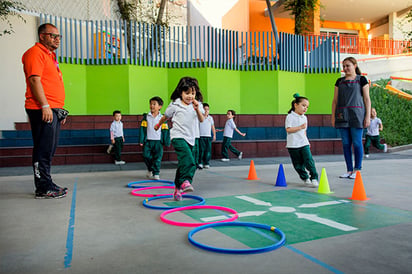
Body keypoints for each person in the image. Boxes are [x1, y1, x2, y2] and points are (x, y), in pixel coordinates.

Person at [22, 23, 68, 199]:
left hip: (53, 109)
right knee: (42, 149)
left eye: (58, 36)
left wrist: (59, 110)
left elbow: (51, 85)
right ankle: (42, 187)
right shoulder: (35, 53)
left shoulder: (50, 56)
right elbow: (34, 80)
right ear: (42, 36)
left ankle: (47, 182)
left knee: (49, 149)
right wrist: (45, 106)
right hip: (42, 109)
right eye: (53, 36)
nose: (57, 39)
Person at [154, 77, 204, 201]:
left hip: (193, 137)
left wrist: (197, 108)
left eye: (193, 93)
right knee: (188, 160)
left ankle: (178, 188)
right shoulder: (175, 105)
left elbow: (202, 119)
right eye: (187, 93)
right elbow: (165, 117)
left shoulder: (197, 104)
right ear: (181, 93)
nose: (190, 96)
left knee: (187, 164)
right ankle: (185, 182)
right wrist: (158, 125)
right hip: (178, 136)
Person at [332, 57, 371, 179]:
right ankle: (349, 170)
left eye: (347, 65)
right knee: (346, 143)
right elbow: (335, 101)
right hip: (342, 114)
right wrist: (333, 117)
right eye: (343, 66)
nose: (345, 68)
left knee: (357, 143)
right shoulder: (339, 81)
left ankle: (357, 169)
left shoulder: (362, 80)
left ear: (355, 65)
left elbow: (366, 99)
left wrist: (367, 116)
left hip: (357, 115)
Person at [285, 94, 319, 187]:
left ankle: (314, 178)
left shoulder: (304, 117)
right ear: (296, 105)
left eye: (307, 107)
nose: (305, 108)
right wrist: (300, 127)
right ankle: (305, 177)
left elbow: (304, 132)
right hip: (293, 145)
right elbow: (288, 129)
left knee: (309, 161)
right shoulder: (290, 117)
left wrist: (307, 141)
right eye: (303, 105)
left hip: (304, 143)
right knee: (298, 165)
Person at [139, 96, 170, 180]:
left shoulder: (162, 118)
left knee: (158, 158)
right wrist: (141, 140)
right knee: (146, 156)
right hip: (148, 141)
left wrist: (166, 141)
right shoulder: (146, 117)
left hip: (158, 142)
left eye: (154, 104)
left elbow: (166, 131)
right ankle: (150, 169)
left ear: (159, 107)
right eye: (151, 104)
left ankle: (156, 173)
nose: (152, 106)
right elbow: (142, 129)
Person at [198, 103, 216, 168]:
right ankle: (200, 162)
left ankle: (206, 162)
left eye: (207, 109)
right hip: (201, 136)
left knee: (208, 150)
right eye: (204, 109)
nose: (206, 111)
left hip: (208, 136)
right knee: (201, 150)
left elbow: (213, 127)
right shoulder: (199, 117)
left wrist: (214, 135)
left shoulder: (210, 118)